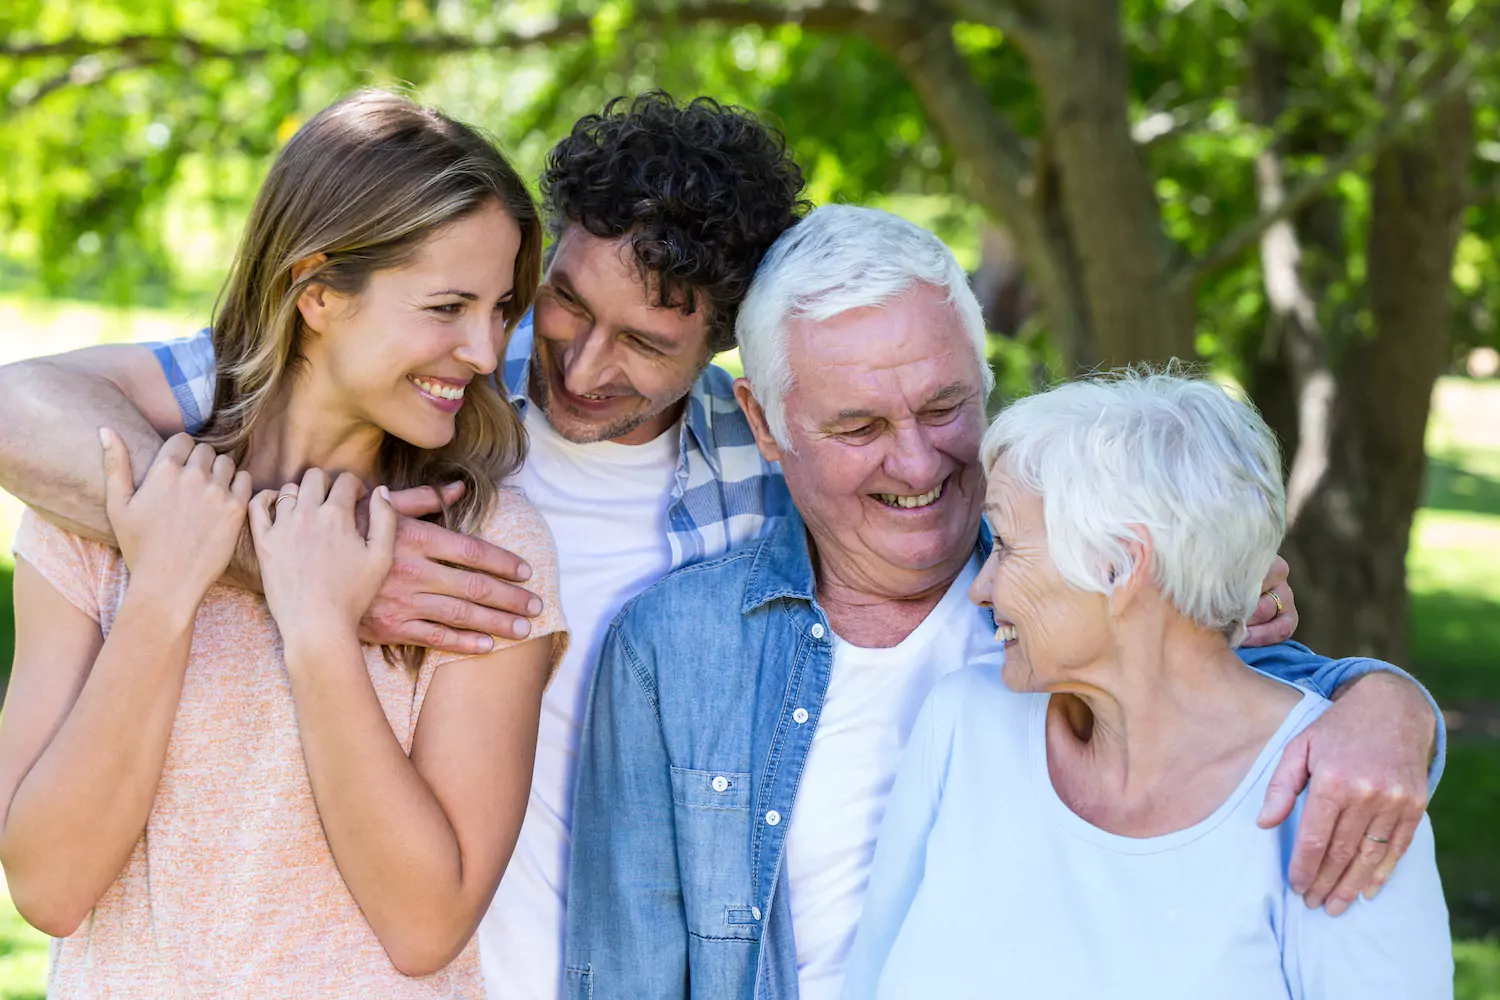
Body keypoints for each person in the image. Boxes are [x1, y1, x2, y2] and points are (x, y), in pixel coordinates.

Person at [0, 93, 808, 1000]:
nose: (504, 353)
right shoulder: (116, 495)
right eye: (557, 305)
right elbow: (47, 891)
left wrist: (317, 623)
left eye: (498, 307)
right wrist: (215, 563)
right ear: (316, 293)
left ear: (721, 349)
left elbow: (426, 924)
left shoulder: (505, 535)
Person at [562, 205, 1446, 1000]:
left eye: (946, 407)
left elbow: (1259, 704)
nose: (917, 464)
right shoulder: (673, 652)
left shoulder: (1096, 578)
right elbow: (627, 979)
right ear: (765, 423)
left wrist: (1390, 705)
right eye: (859, 427)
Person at [841, 368, 1453, 999]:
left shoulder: (1342, 797)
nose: (982, 587)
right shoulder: (965, 721)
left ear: (1120, 565)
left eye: (1010, 546)